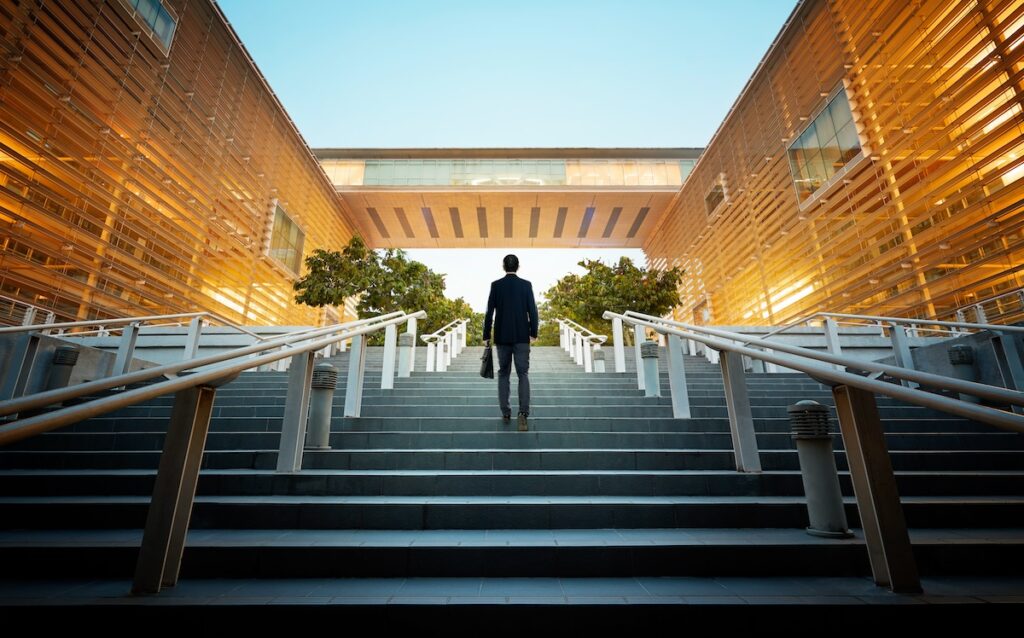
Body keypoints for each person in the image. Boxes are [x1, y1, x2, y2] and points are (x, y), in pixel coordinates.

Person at [483, 254, 539, 431]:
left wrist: (486, 334)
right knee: (523, 374)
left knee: (503, 373)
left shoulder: (496, 285)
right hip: (522, 337)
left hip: (502, 336)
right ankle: (523, 414)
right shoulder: (526, 285)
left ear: (503, 266)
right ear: (518, 266)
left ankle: (506, 412)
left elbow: (489, 312)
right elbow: (533, 311)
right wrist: (533, 332)